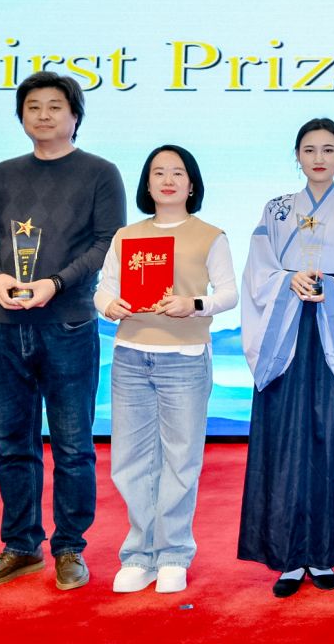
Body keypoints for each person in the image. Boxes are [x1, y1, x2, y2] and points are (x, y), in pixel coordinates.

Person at [0, 71, 125, 591]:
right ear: (21, 116)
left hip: (68, 322)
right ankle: (20, 546)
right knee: (11, 442)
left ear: (75, 115)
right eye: (33, 107)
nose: (44, 115)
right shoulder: (1, 174)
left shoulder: (100, 173)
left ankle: (70, 547)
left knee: (74, 445)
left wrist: (56, 283)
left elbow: (107, 243)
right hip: (5, 324)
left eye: (56, 106)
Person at [238, 118, 334, 597]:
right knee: (287, 442)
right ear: (297, 156)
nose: (319, 158)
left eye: (329, 149)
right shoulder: (277, 210)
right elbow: (258, 271)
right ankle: (288, 556)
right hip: (287, 332)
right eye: (310, 149)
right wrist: (287, 280)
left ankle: (323, 553)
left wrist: (333, 290)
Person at [95, 145, 238, 595]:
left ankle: (174, 553)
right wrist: (108, 305)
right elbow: (103, 289)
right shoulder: (127, 235)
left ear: (192, 183)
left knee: (180, 459)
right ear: (147, 183)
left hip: (185, 358)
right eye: (159, 172)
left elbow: (228, 294)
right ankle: (139, 554)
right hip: (130, 356)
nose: (168, 180)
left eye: (178, 172)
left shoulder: (210, 235)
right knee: (130, 460)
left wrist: (192, 304)